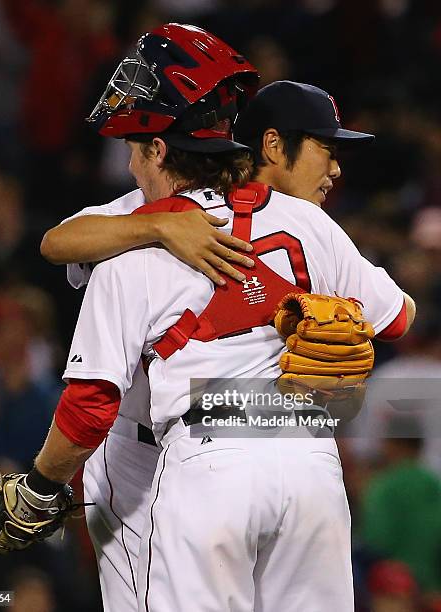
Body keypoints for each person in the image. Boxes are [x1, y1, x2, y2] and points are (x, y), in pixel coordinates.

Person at [37, 75, 415, 611]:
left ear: (160, 150)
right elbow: (398, 317)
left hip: (199, 457)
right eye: (325, 150)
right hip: (306, 459)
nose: (335, 168)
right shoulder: (306, 223)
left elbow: (89, 406)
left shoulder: (126, 253)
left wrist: (39, 481)